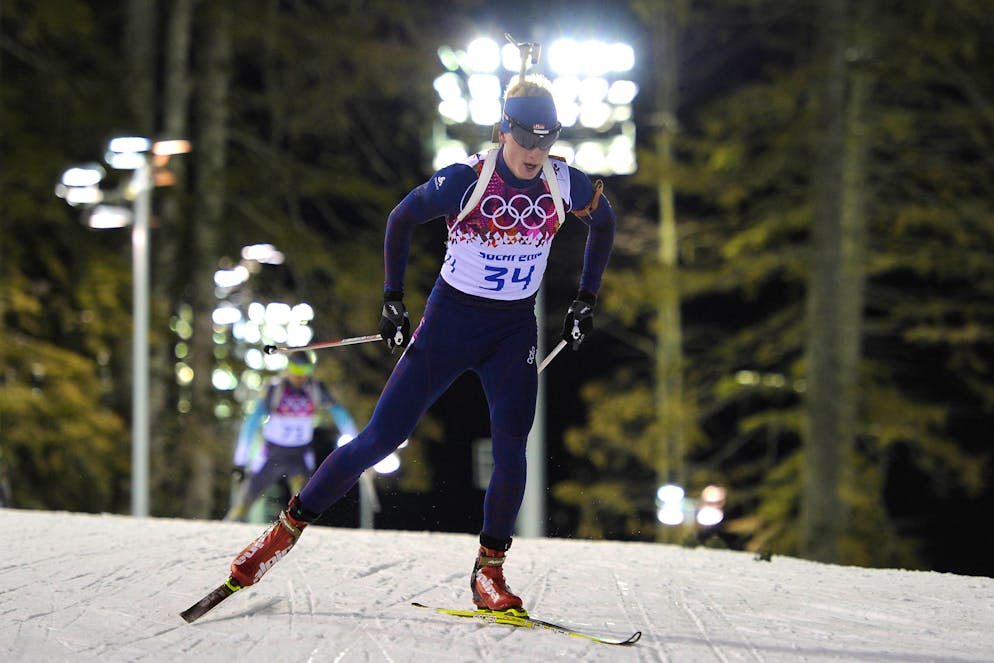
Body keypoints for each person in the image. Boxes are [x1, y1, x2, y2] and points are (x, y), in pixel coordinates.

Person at [222, 74, 616, 614]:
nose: (534, 152)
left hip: (513, 331)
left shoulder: (564, 183)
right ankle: (280, 535)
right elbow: (400, 219)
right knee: (380, 438)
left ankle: (489, 571)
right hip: (450, 323)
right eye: (525, 138)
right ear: (504, 131)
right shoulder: (465, 180)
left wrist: (585, 299)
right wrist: (392, 300)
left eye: (546, 140)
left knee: (511, 449)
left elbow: (605, 225)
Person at [224, 350, 358, 522]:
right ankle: (230, 525)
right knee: (245, 501)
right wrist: (240, 461)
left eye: (304, 370)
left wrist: (356, 443)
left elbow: (339, 413)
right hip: (272, 453)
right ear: (288, 369)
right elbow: (252, 422)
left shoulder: (315, 388)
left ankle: (302, 535)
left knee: (305, 503)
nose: (299, 376)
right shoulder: (274, 389)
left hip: (300, 454)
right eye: (295, 369)